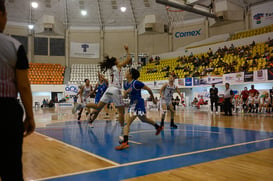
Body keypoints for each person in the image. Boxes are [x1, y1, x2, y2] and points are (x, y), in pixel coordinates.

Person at [0, 1, 35, 180]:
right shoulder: (14, 46)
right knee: (11, 168)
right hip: (6, 110)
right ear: (3, 15)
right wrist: (30, 116)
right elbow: (23, 85)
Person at [73, 45, 131, 134]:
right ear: (115, 62)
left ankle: (82, 105)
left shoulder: (111, 68)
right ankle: (123, 132)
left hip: (108, 90)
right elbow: (128, 60)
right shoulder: (117, 66)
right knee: (121, 111)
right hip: (115, 90)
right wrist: (127, 50)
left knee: (97, 107)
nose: (119, 61)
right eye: (117, 60)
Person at [115, 68, 163, 150]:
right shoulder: (125, 84)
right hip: (133, 103)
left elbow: (148, 89)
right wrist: (125, 94)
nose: (125, 72)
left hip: (138, 103)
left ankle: (125, 142)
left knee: (127, 123)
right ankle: (158, 127)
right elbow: (125, 96)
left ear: (130, 75)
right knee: (143, 119)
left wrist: (153, 99)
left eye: (127, 71)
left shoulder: (136, 83)